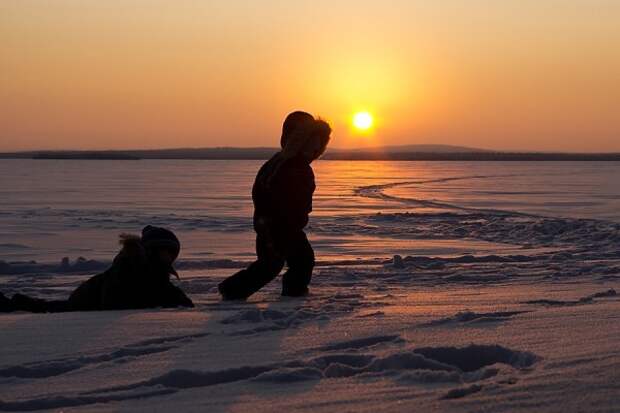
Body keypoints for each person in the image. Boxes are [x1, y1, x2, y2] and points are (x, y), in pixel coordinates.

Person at [218, 111, 331, 300]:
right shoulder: (284, 165)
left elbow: (300, 198)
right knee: (278, 263)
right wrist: (272, 220)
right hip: (276, 226)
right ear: (298, 141)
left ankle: (291, 293)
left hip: (287, 226)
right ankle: (235, 290)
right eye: (311, 142)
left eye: (318, 144)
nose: (315, 148)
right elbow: (262, 193)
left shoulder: (296, 165)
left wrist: (299, 213)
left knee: (292, 261)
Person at [0, 225, 194, 312]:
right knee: (51, 309)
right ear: (152, 251)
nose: (169, 257)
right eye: (165, 252)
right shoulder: (128, 267)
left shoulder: (156, 272)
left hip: (91, 298)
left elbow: (171, 294)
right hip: (85, 300)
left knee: (50, 306)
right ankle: (15, 303)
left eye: (172, 253)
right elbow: (113, 303)